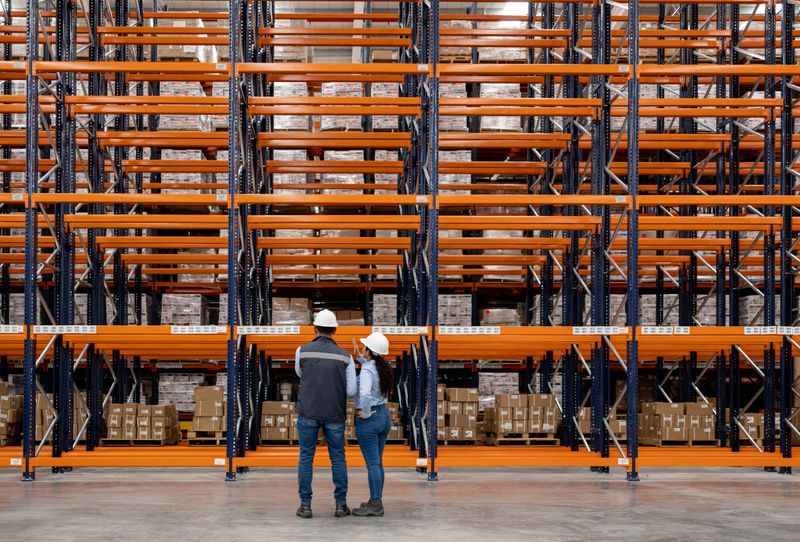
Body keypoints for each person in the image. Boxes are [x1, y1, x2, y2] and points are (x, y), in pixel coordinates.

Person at [294, 309, 357, 519]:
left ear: (315, 328)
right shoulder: (346, 356)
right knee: (338, 458)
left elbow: (300, 374)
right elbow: (351, 391)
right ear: (335, 329)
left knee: (306, 457)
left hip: (308, 412)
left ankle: (305, 506)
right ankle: (340, 505)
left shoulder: (301, 351)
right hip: (335, 413)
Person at [352, 332, 393, 517]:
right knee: (378, 462)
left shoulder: (367, 370)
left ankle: (375, 503)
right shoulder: (381, 367)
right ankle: (376, 499)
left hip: (370, 419)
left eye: (365, 347)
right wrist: (359, 357)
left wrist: (366, 413)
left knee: (372, 464)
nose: (363, 348)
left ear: (370, 351)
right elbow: (370, 368)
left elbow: (366, 393)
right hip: (384, 416)